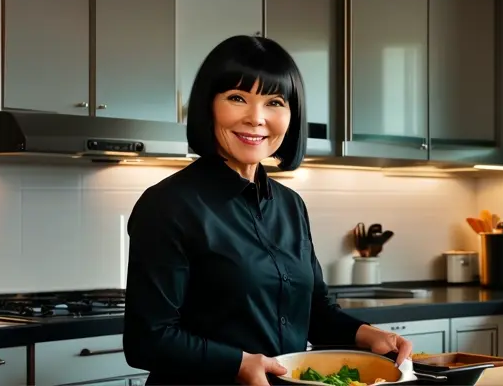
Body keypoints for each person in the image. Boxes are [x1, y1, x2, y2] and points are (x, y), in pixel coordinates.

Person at [123, 35, 413, 386]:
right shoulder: (168, 205)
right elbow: (147, 340)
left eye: (274, 102)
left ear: (292, 114)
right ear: (208, 106)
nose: (256, 118)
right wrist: (238, 363)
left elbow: (314, 313)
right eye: (237, 98)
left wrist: (367, 334)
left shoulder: (291, 205)